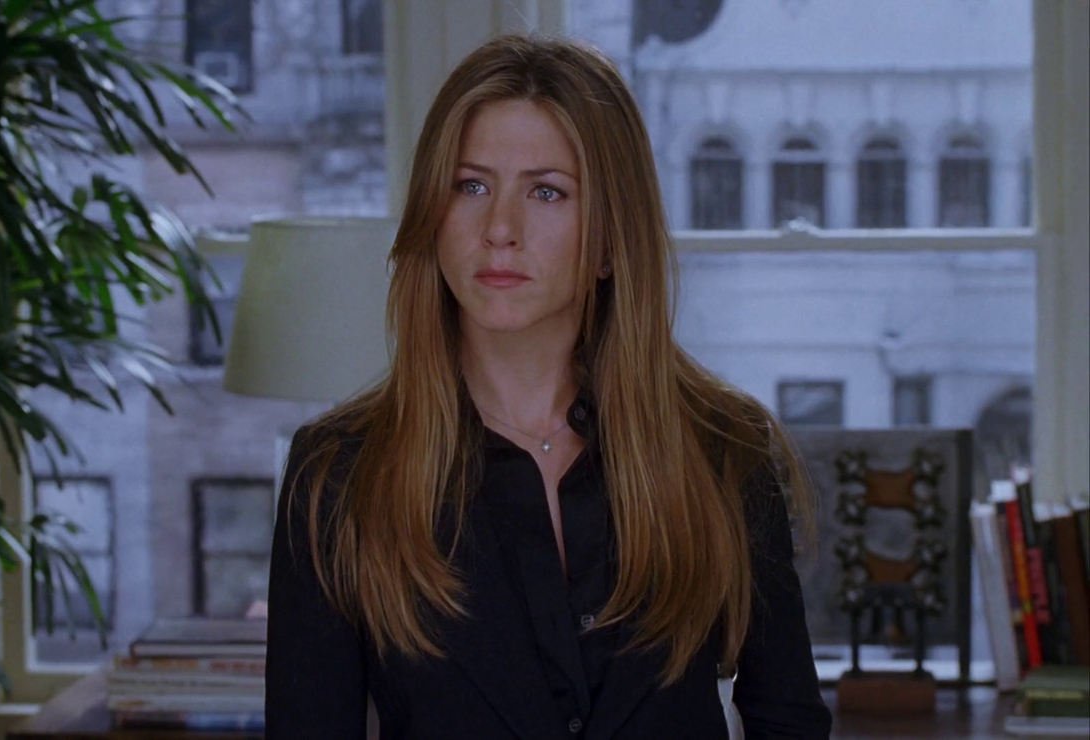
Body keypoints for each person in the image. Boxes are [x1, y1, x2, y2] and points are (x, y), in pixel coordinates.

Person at [265, 34, 832, 739]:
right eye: (470, 186)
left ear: (609, 241)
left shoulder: (722, 449)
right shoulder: (338, 475)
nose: (500, 229)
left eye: (547, 191)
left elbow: (788, 721)